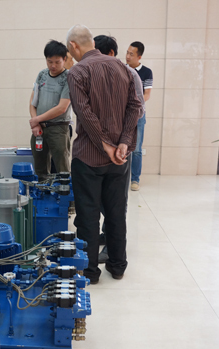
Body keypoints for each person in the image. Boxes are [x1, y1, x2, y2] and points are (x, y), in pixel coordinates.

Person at [66, 25, 141, 283]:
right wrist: (123, 142)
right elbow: (136, 106)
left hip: (88, 158)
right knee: (116, 213)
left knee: (88, 216)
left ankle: (90, 271)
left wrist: (104, 144)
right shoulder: (123, 68)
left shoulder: (78, 72)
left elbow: (84, 113)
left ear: (74, 45)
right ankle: (118, 266)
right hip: (119, 158)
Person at [93, 34, 145, 264]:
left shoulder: (129, 74)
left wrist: (122, 142)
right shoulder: (94, 74)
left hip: (121, 147)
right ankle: (107, 234)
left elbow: (138, 110)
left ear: (111, 54)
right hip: (100, 147)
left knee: (116, 200)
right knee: (100, 196)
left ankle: (113, 248)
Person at [29, 40, 73, 181]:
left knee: (62, 169)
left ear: (64, 59)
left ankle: (64, 194)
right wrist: (36, 123)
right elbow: (33, 102)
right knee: (40, 170)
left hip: (58, 128)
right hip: (39, 129)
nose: (53, 66)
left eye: (57, 62)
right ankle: (42, 193)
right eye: (49, 62)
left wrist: (36, 119)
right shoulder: (42, 75)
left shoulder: (69, 78)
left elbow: (62, 108)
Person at [126, 41, 153, 191]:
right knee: (122, 147)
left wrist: (134, 104)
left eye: (131, 54)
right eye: (127, 53)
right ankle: (122, 178)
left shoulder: (146, 72)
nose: (127, 56)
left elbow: (147, 94)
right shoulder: (121, 69)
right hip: (122, 115)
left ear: (139, 57)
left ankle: (135, 179)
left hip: (138, 115)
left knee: (136, 149)